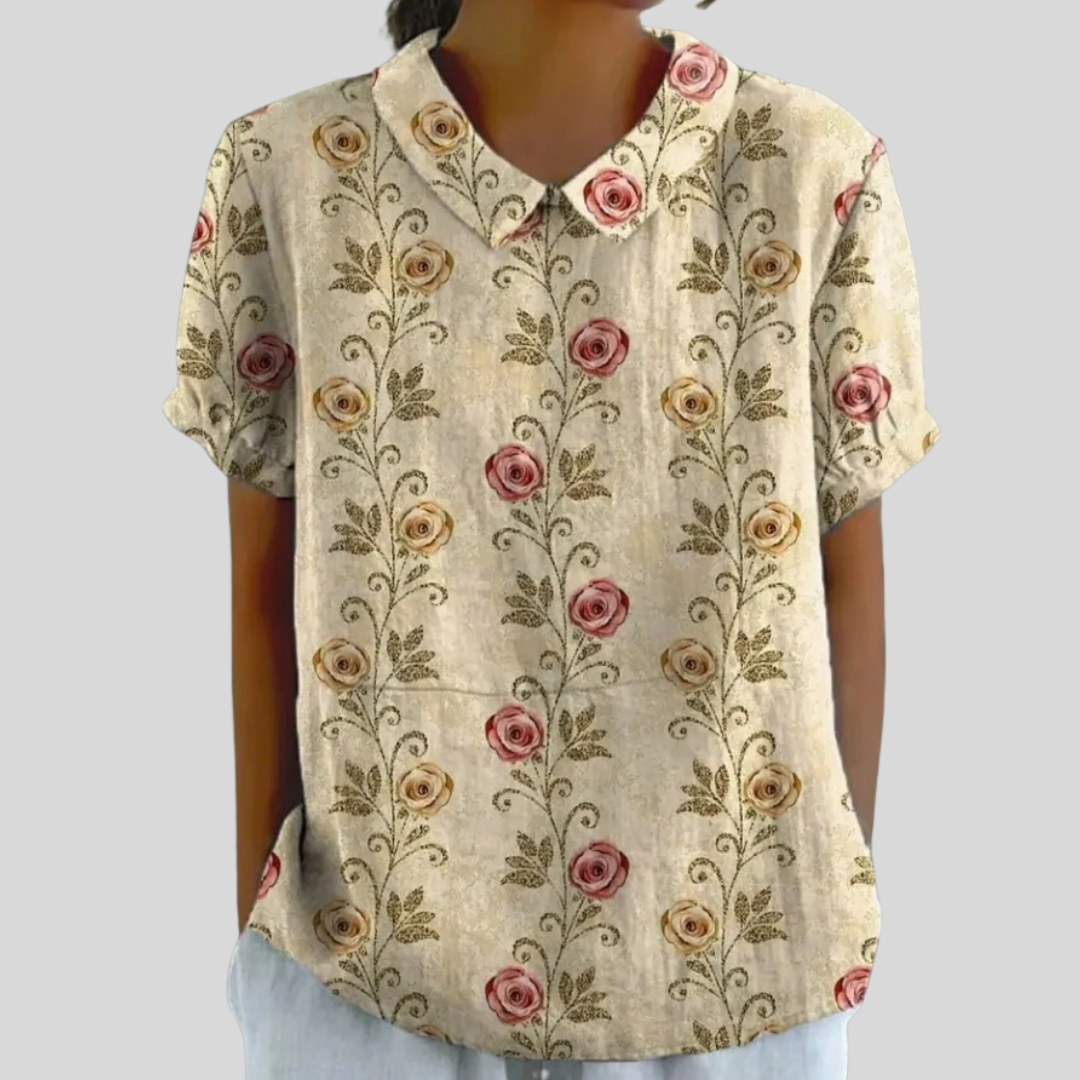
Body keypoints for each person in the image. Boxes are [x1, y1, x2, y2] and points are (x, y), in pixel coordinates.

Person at [161, 0, 939, 1076]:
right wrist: (261, 940)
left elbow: (844, 576)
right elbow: (261, 582)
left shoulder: (811, 168)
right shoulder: (288, 169)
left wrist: (816, 903)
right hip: (361, 973)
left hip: (743, 976)